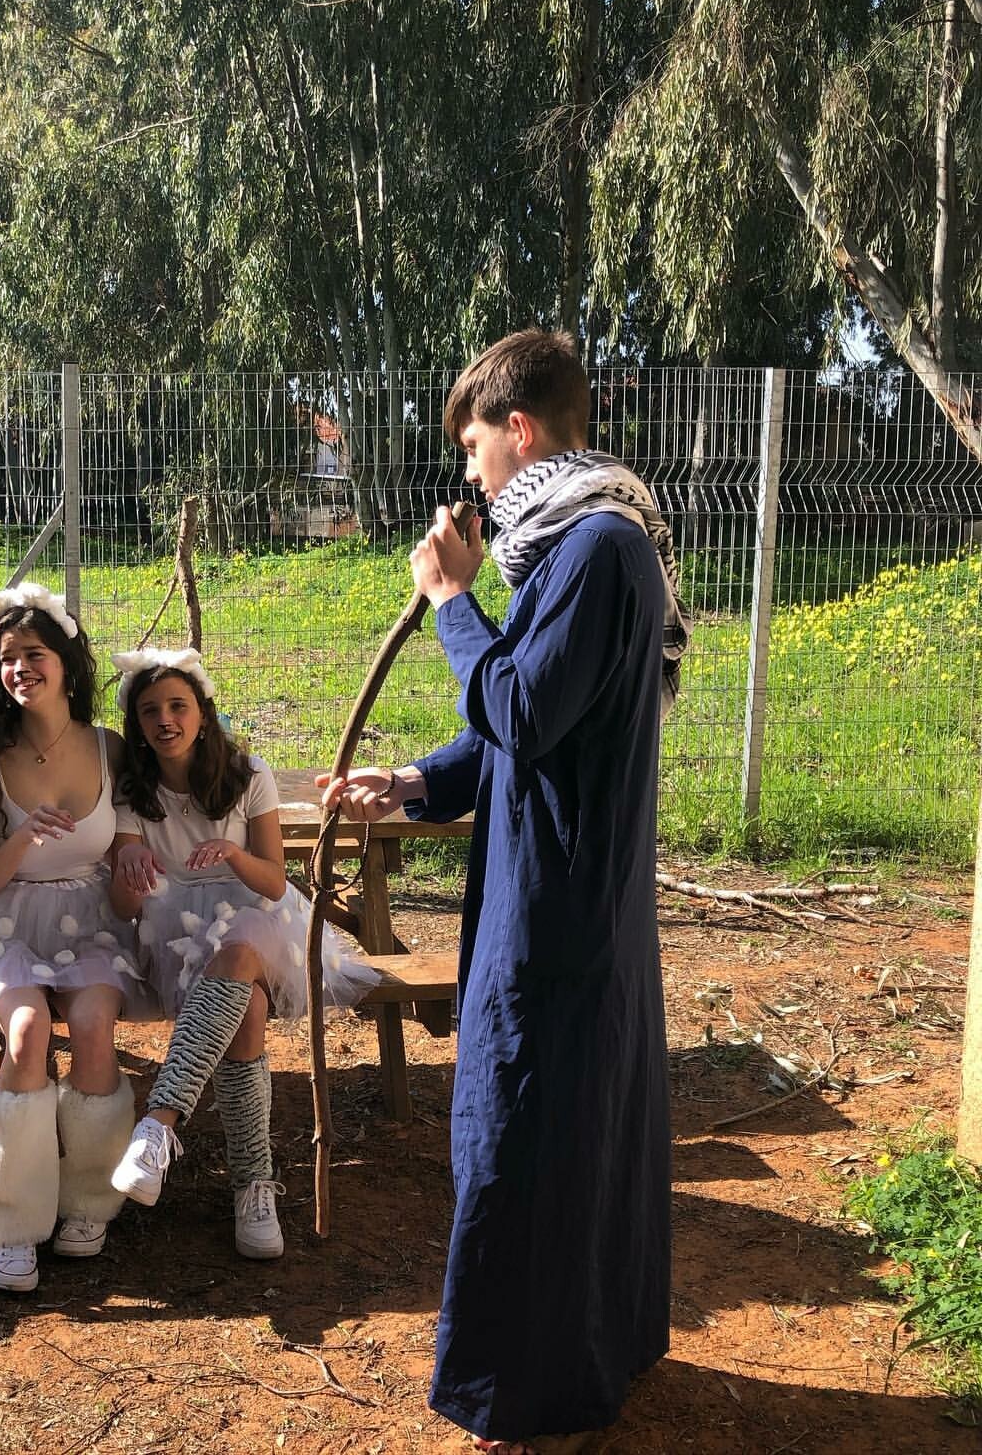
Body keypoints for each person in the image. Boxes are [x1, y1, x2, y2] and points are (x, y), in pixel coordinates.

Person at [322, 330, 690, 1453]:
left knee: (528, 1131)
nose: (472, 474)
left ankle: (536, 1401)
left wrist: (448, 599)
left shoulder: (596, 550)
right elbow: (525, 722)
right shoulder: (580, 546)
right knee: (558, 1124)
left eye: (475, 446)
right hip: (558, 888)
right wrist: (415, 782)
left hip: (559, 906)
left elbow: (521, 709)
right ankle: (577, 1364)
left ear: (519, 431)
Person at [105, 648, 379, 1259]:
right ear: (138, 726)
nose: (165, 720)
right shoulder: (132, 792)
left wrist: (231, 855)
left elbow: (276, 883)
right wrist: (128, 864)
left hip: (259, 915)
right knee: (247, 1010)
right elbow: (124, 907)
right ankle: (254, 1183)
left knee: (242, 942)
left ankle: (159, 1124)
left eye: (178, 706)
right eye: (150, 711)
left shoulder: (247, 774)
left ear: (203, 713)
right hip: (174, 931)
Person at [0, 584, 148, 1294]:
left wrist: (130, 851)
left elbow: (127, 831)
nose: (20, 668)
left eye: (34, 654)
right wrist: (24, 836)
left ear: (67, 663)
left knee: (94, 1024)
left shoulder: (109, 747)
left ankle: (90, 1199)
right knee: (28, 1031)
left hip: (92, 919)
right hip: (7, 920)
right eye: (7, 658)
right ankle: (13, 1224)